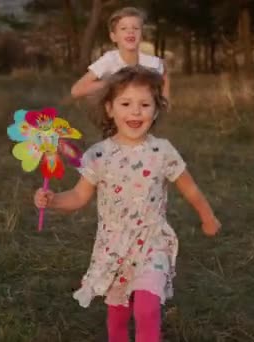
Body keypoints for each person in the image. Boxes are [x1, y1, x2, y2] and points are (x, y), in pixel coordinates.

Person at [34, 65, 220, 342]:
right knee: (118, 317)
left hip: (152, 241)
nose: (135, 111)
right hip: (113, 246)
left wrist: (208, 218)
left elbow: (190, 189)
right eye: (126, 103)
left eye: (145, 104)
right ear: (110, 108)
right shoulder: (98, 155)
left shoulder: (163, 151)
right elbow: (79, 196)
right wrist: (53, 200)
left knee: (146, 308)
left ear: (156, 110)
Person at [70, 7, 171, 105]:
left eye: (135, 28)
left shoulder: (151, 62)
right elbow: (76, 90)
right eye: (123, 28)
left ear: (141, 36)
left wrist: (165, 99)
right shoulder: (109, 60)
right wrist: (112, 82)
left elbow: (164, 70)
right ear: (113, 37)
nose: (130, 31)